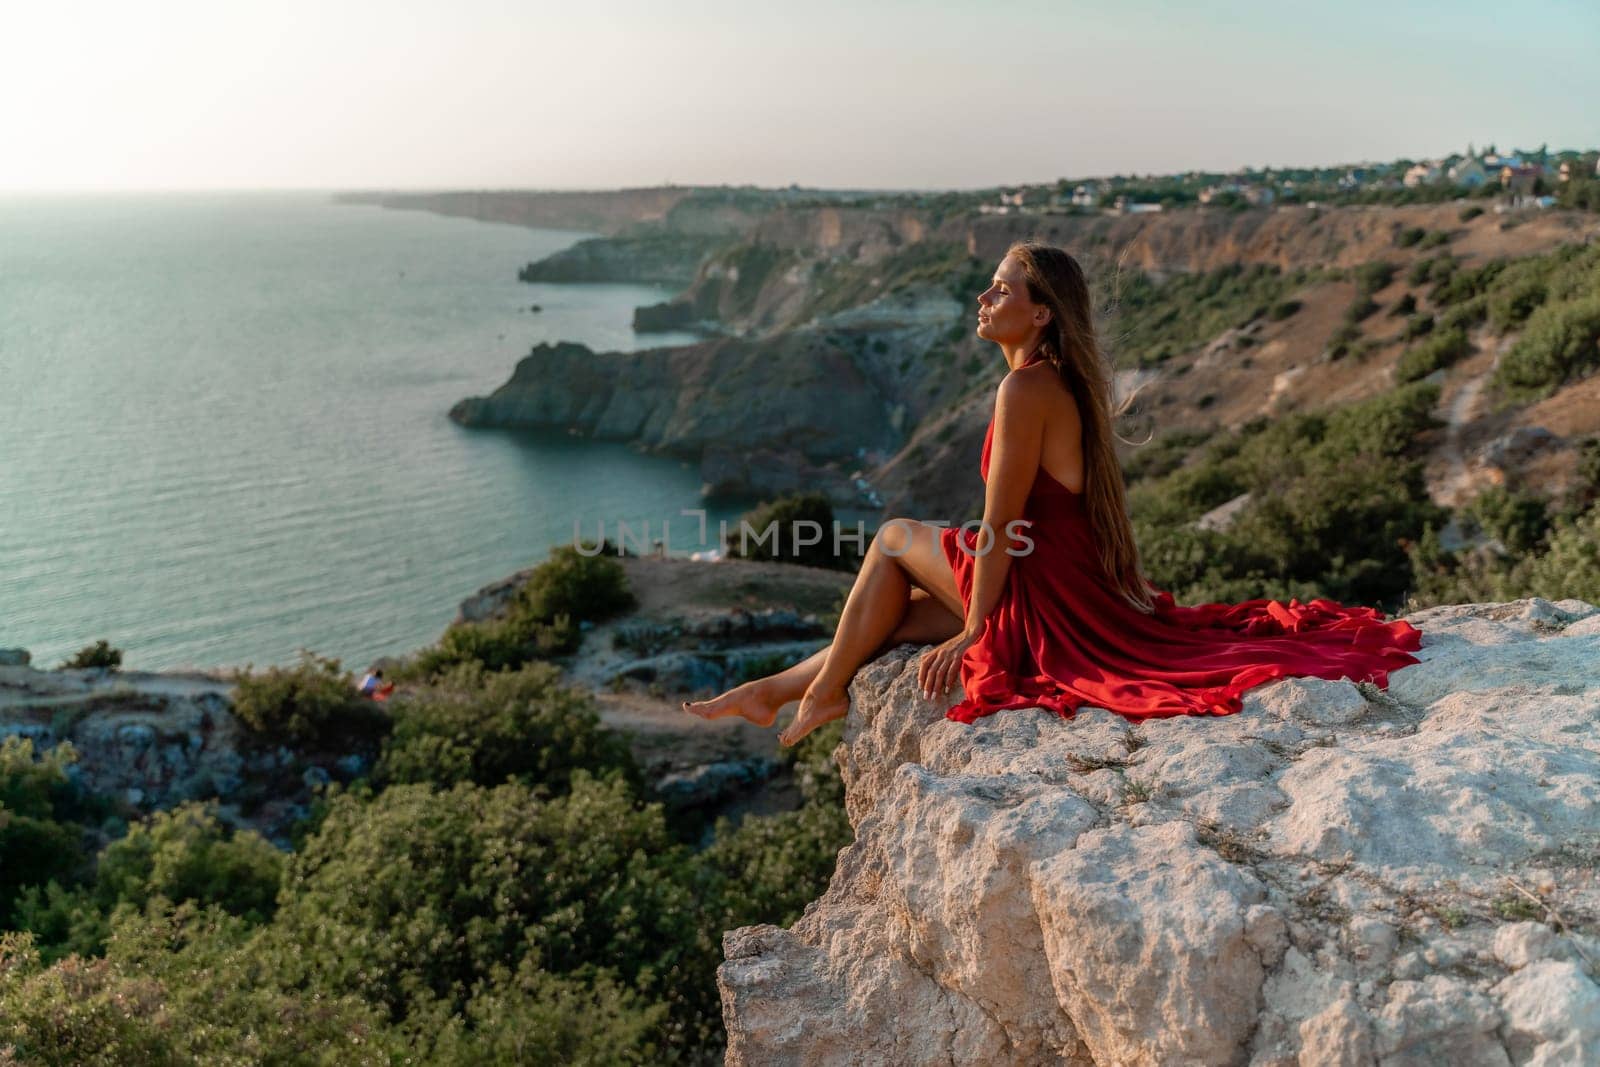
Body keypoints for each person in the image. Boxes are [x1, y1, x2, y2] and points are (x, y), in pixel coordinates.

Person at [681, 241, 1423, 747]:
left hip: (1040, 577)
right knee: (901, 616)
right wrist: (972, 615)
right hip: (1063, 576)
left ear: (1040, 314)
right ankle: (774, 689)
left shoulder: (1025, 387)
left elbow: (1000, 526)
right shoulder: (1054, 382)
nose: (984, 293)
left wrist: (975, 631)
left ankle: (821, 693)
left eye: (1002, 288)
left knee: (893, 538)